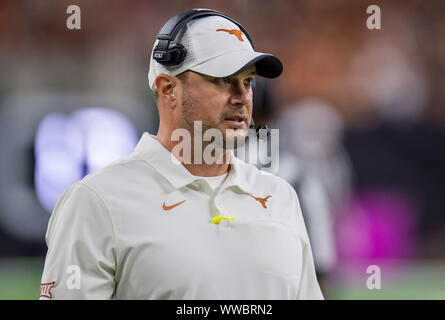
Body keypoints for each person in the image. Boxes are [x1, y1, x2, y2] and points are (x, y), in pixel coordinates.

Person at [39, 8, 323, 300]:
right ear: (168, 89)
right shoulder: (96, 201)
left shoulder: (280, 196)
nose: (242, 96)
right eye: (224, 80)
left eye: (248, 81)